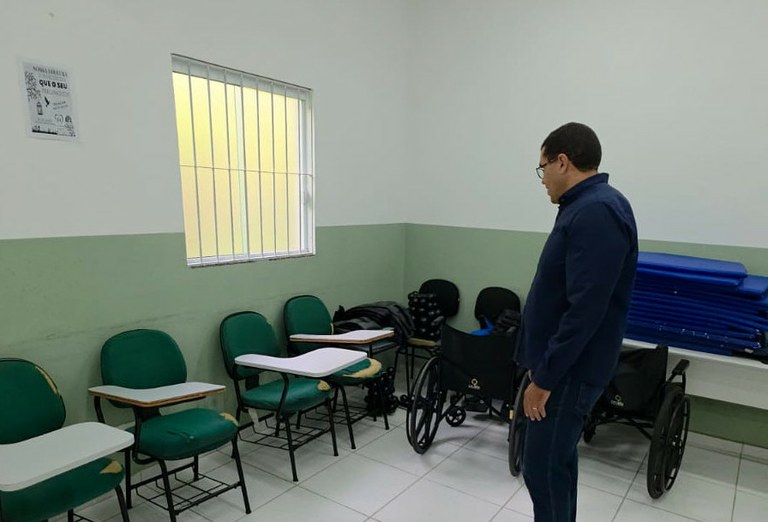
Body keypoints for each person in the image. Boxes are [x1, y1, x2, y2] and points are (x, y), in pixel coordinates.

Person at [517, 122, 638, 522]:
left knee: (543, 469)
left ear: (562, 162)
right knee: (556, 465)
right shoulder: (586, 206)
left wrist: (545, 378)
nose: (542, 179)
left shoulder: (596, 211)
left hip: (568, 372)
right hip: (565, 368)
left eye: (542, 167)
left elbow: (585, 309)